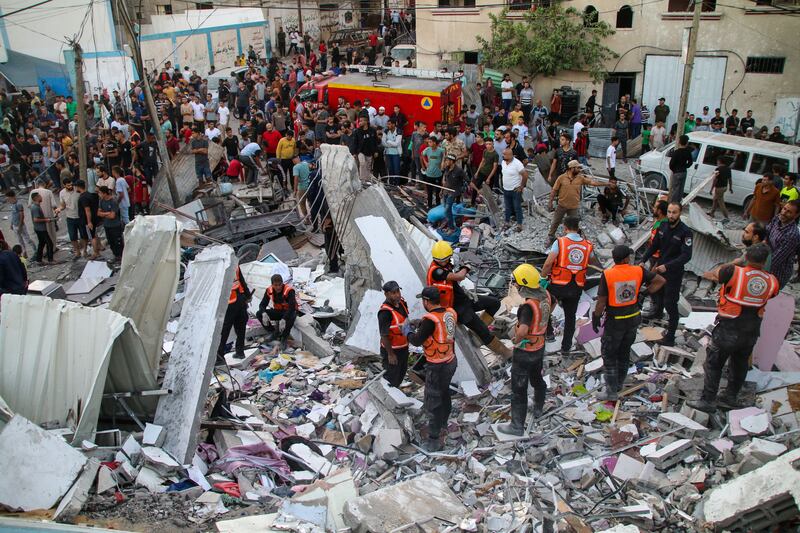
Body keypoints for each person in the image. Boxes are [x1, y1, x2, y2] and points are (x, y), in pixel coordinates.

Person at [688, 243, 779, 412]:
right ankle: (730, 397)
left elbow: (715, 274)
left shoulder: (733, 272)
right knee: (739, 364)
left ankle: (708, 400)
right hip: (751, 331)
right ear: (765, 260)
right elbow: (772, 294)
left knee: (714, 364)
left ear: (747, 257)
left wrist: (737, 261)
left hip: (728, 328)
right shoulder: (772, 281)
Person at [592, 245, 665, 400]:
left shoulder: (608, 274)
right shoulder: (638, 271)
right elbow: (660, 280)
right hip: (633, 319)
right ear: (626, 258)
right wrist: (644, 293)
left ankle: (611, 392)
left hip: (615, 322)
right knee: (624, 352)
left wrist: (596, 316)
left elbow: (601, 301)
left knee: (609, 355)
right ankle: (618, 384)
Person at [427, 241, 511, 358]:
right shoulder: (437, 271)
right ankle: (506, 353)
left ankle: (475, 334)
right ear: (437, 259)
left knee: (494, 303)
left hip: (465, 300)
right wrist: (466, 267)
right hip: (458, 309)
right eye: (444, 260)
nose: (446, 261)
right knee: (484, 332)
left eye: (447, 259)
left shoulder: (444, 265)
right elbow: (459, 276)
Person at [496, 264, 552, 436]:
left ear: (523, 285)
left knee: (519, 389)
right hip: (539, 346)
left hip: (525, 350)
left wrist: (515, 340)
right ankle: (538, 408)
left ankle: (517, 426)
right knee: (536, 378)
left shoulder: (527, 307)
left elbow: (522, 331)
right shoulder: (546, 296)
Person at [406, 286, 458, 452]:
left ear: (426, 301)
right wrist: (421, 324)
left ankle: (433, 439)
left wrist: (407, 331)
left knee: (433, 399)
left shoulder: (430, 319)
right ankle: (443, 423)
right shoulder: (450, 312)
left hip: (437, 365)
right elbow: (440, 326)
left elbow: (416, 340)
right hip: (450, 360)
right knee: (444, 392)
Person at [642, 202, 693, 346]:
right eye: (669, 212)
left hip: (673, 273)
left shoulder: (685, 232)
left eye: (674, 212)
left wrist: (668, 266)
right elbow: (654, 246)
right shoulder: (663, 226)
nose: (671, 215)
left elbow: (686, 256)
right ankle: (657, 313)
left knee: (670, 303)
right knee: (656, 293)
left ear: (680, 213)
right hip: (660, 269)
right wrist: (643, 259)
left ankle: (670, 336)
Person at [541, 216, 592, 353]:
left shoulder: (560, 242)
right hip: (576, 287)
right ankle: (566, 348)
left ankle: (549, 333)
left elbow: (548, 263)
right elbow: (588, 262)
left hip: (558, 284)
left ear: (565, 227)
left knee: (545, 309)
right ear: (578, 227)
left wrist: (542, 277)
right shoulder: (587, 245)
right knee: (570, 317)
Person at [547, 160, 604, 243]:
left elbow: (592, 182)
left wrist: (606, 184)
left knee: (573, 224)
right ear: (571, 168)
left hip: (573, 206)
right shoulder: (561, 178)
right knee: (556, 221)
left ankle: (572, 240)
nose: (579, 169)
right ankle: (551, 237)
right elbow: (554, 190)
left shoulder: (580, 178)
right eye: (578, 168)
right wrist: (550, 202)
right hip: (562, 205)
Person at [378, 281, 410, 388]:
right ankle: (390, 398)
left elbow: (404, 321)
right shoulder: (385, 312)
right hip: (392, 350)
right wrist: (390, 354)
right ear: (386, 294)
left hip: (403, 348)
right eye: (393, 293)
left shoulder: (402, 303)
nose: (397, 295)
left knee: (401, 373)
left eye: (398, 291)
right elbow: (384, 335)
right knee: (391, 377)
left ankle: (396, 392)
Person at [217, 266, 251, 362]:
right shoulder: (235, 264)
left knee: (225, 330)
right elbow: (241, 280)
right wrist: (248, 296)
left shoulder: (220, 264)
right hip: (240, 299)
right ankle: (240, 352)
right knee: (241, 327)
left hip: (229, 301)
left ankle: (219, 357)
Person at [256, 274, 299, 349]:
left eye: (280, 284)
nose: (278, 287)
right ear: (272, 284)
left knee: (292, 316)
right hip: (278, 311)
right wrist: (263, 313)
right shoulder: (269, 290)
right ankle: (273, 332)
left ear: (282, 283)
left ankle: (284, 337)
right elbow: (262, 304)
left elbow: (292, 308)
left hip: (288, 312)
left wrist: (284, 319)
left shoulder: (289, 290)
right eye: (275, 285)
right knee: (259, 313)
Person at [766, 200, 800, 288]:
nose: (784, 212)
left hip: (777, 274)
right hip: (766, 262)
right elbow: (766, 233)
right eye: (784, 208)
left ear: (796, 215)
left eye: (789, 212)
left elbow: (775, 260)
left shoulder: (791, 235)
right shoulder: (777, 218)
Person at [500, 147, 528, 232]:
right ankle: (507, 222)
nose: (503, 156)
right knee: (507, 207)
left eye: (505, 154)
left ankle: (519, 224)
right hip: (506, 189)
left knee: (517, 207)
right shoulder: (503, 162)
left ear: (510, 155)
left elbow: (525, 175)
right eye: (503, 154)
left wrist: (521, 186)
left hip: (515, 189)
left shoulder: (517, 163)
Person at [97, 186, 124, 262]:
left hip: (115, 225)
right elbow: (98, 213)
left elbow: (112, 216)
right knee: (111, 241)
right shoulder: (101, 201)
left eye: (100, 193)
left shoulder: (113, 202)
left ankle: (120, 256)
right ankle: (116, 256)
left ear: (104, 193)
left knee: (117, 242)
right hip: (107, 225)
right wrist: (107, 213)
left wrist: (104, 214)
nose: (99, 194)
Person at [5, 190, 34, 258]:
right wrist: (12, 224)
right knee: (20, 240)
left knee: (27, 239)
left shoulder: (18, 204)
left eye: (8, 198)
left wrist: (20, 225)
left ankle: (35, 250)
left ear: (12, 197)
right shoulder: (12, 205)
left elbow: (22, 215)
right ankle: (24, 252)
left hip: (20, 226)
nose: (8, 200)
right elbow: (13, 215)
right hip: (15, 225)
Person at [58, 178, 82, 259]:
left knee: (83, 235)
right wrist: (59, 209)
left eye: (71, 184)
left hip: (80, 216)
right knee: (72, 236)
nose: (70, 186)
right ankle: (77, 251)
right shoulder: (62, 193)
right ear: (64, 185)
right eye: (68, 185)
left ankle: (84, 249)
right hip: (70, 217)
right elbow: (63, 205)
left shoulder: (77, 190)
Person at [441, 154, 466, 229]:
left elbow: (467, 180)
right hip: (446, 191)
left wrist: (477, 190)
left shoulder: (459, 170)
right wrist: (442, 190)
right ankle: (448, 223)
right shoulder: (447, 168)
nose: (446, 162)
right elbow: (445, 181)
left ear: (452, 161)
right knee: (446, 209)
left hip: (453, 192)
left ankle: (451, 228)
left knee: (447, 210)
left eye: (447, 160)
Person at [30, 192, 54, 263]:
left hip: (39, 228)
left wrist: (48, 219)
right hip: (41, 229)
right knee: (50, 244)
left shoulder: (36, 206)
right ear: (36, 198)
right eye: (40, 196)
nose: (41, 197)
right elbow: (36, 219)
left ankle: (39, 259)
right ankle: (50, 260)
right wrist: (46, 220)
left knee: (41, 243)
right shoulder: (35, 207)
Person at [668, 135, 693, 203]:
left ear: (679, 141)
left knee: (675, 189)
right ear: (687, 143)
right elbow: (690, 162)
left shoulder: (676, 152)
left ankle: (673, 204)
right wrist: (685, 166)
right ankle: (678, 203)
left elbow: (671, 164)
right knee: (681, 189)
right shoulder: (688, 152)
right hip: (684, 172)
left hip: (677, 172)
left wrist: (674, 170)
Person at [422, 137, 444, 209]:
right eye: (428, 142)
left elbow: (445, 156)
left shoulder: (441, 150)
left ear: (434, 142)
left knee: (438, 192)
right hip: (429, 174)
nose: (429, 143)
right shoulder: (427, 150)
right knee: (429, 192)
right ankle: (430, 205)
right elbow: (422, 154)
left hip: (438, 174)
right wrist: (425, 162)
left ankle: (438, 205)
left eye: (430, 142)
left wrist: (442, 163)